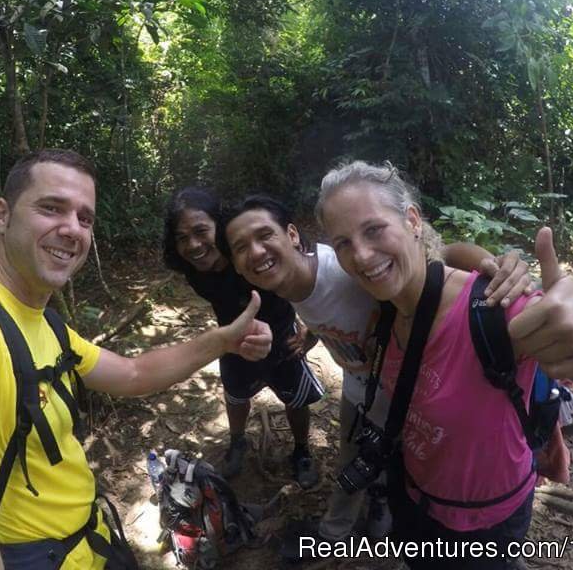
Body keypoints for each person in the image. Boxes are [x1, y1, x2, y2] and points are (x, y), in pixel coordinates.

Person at [0, 150, 274, 570]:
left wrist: (222, 342)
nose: (72, 229)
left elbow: (132, 372)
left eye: (85, 218)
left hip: (91, 540)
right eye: (51, 208)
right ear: (2, 214)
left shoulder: (43, 322)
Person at [313, 160, 573, 569]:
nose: (362, 255)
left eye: (374, 229)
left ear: (412, 220)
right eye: (344, 243)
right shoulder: (381, 307)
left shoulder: (496, 310)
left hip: (484, 523)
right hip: (414, 496)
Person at [218, 194, 532, 548]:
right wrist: (311, 338)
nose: (256, 251)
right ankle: (362, 520)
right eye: (241, 247)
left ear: (292, 234)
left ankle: (353, 526)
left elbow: (435, 259)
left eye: (264, 236)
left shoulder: (344, 270)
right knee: (361, 458)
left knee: (405, 470)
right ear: (236, 264)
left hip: (415, 394)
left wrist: (494, 265)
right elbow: (333, 317)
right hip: (362, 391)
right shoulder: (281, 285)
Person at [162, 187, 324, 488]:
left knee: (296, 398)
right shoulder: (195, 269)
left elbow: (304, 276)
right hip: (234, 343)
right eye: (182, 238)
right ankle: (238, 442)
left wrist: (312, 330)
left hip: (283, 340)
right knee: (235, 396)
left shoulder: (251, 259)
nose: (194, 245)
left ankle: (302, 450)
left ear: (219, 227)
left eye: (201, 231)